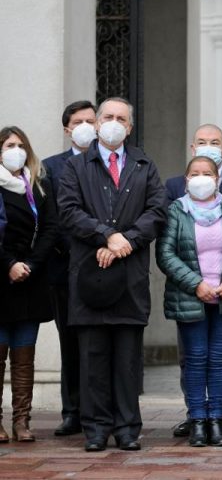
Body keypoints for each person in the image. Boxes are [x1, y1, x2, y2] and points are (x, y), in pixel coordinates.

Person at [57, 97, 167, 451]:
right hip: (89, 274)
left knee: (126, 360)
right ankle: (95, 429)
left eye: (121, 118)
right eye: (108, 116)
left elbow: (156, 211)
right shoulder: (76, 167)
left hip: (129, 276)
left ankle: (127, 429)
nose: (114, 122)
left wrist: (126, 241)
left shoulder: (144, 164)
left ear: (130, 128)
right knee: (92, 358)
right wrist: (106, 235)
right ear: (97, 122)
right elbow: (70, 211)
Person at [158, 156, 222, 447]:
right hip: (191, 298)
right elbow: (165, 254)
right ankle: (198, 421)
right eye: (194, 173)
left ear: (218, 179)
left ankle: (217, 418)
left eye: (207, 174)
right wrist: (196, 284)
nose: (201, 178)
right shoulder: (176, 210)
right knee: (195, 359)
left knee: (220, 361)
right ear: (186, 178)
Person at [43, 100, 98, 437]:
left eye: (91, 120)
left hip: (104, 263)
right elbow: (53, 217)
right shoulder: (51, 168)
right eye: (79, 121)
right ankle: (72, 410)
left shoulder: (108, 162)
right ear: (67, 128)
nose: (86, 126)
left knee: (99, 341)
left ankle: (97, 409)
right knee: (70, 341)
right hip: (66, 266)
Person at [0, 127, 58, 443]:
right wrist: (8, 264)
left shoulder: (38, 186)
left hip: (30, 280)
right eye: (9, 145)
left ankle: (22, 420)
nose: (16, 150)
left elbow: (51, 229)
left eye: (21, 145)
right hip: (2, 276)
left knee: (24, 356)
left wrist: (31, 265)